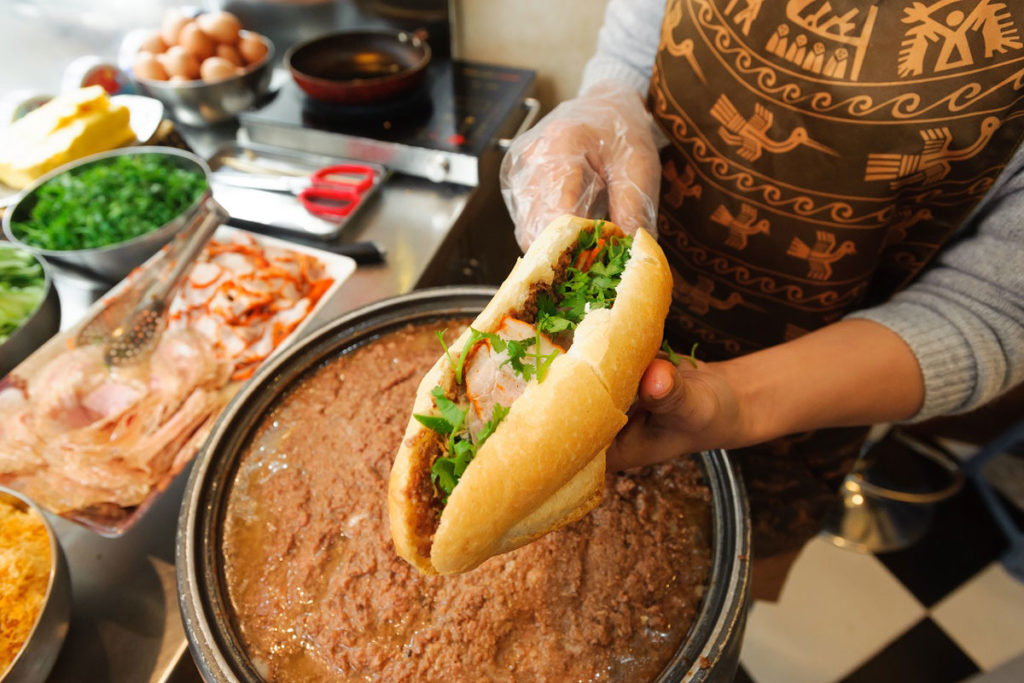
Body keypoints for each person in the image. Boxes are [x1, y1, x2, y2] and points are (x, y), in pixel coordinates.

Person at [500, 0, 1024, 599]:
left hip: (808, 393)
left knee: (697, 592)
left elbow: (995, 307)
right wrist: (610, 103)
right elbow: (641, 40)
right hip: (609, 303)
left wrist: (734, 401)